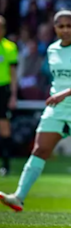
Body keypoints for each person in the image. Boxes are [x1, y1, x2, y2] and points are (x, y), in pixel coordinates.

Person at [0, 10, 71, 214]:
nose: (65, 30)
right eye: (60, 26)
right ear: (54, 28)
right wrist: (58, 96)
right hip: (56, 107)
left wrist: (63, 94)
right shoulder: (52, 49)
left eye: (68, 26)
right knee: (39, 150)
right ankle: (19, 197)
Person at [0, 15, 18, 176]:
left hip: (3, 90)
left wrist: (13, 95)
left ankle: (6, 165)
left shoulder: (10, 47)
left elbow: (13, 73)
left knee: (4, 128)